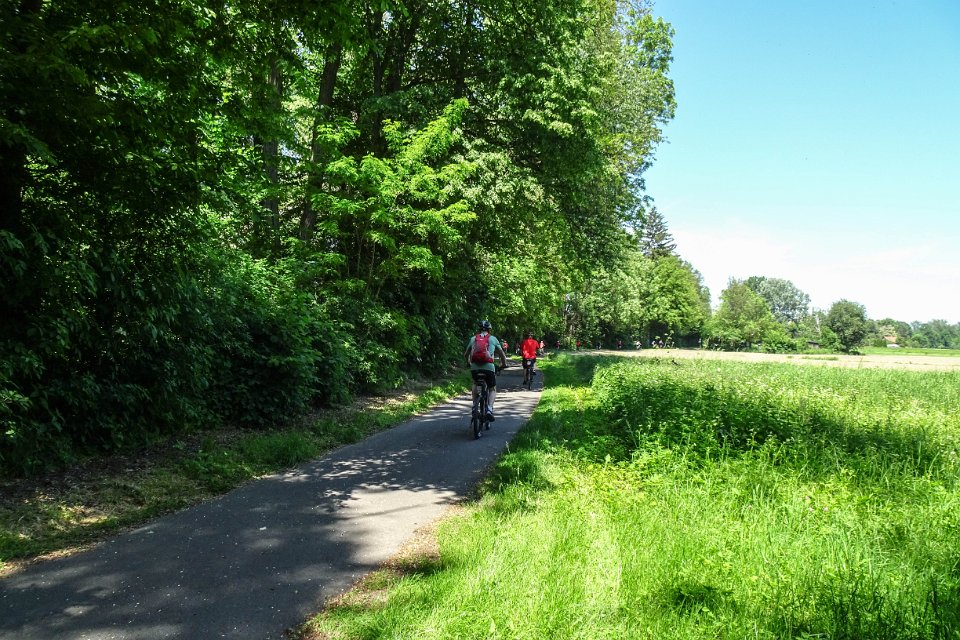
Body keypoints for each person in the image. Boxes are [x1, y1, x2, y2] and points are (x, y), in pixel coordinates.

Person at [464, 320, 507, 421]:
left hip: (475, 367)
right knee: (492, 388)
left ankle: (474, 407)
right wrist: (504, 364)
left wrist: (468, 362)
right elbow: (502, 354)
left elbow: (466, 354)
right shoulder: (493, 339)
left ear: (479, 329)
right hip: (488, 368)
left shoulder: (473, 339)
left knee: (475, 383)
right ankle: (489, 410)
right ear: (489, 329)